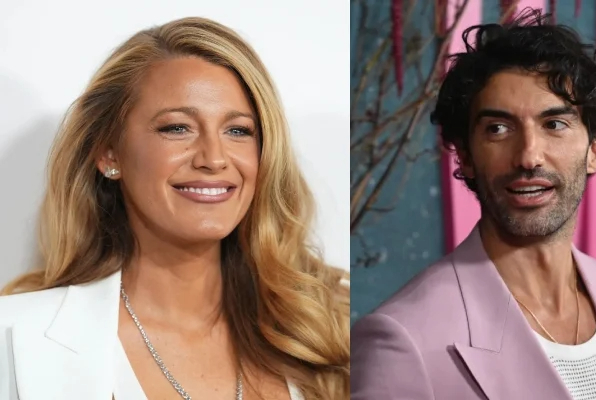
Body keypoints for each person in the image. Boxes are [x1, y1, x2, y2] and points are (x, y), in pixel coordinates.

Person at [0, 17, 349, 400]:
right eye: (177, 128)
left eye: (238, 131)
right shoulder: (15, 337)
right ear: (109, 153)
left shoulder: (330, 332)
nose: (214, 158)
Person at [350, 9, 596, 400]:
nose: (529, 156)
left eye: (554, 124)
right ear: (465, 156)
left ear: (595, 149)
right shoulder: (402, 341)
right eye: (498, 128)